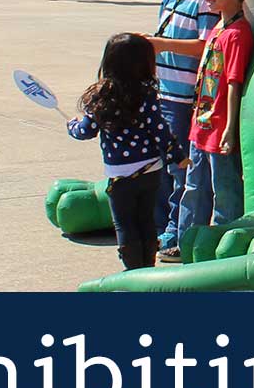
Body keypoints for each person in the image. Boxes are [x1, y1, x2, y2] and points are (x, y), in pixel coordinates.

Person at [146, 0, 254, 246]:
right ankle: (185, 242)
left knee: (224, 191)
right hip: (200, 124)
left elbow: (233, 83)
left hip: (218, 129)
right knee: (193, 187)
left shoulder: (237, 33)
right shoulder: (218, 27)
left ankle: (221, 245)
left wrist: (231, 128)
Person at [67, 33, 175, 271]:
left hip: (120, 173)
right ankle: (147, 265)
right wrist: (174, 153)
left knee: (125, 223)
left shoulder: (102, 95)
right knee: (146, 219)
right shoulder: (147, 93)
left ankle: (132, 269)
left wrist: (71, 127)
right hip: (151, 168)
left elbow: (86, 130)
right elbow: (159, 128)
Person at [151, 0, 219, 262]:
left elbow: (205, 45)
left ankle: (176, 233)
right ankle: (161, 225)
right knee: (162, 165)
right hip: (162, 92)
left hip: (183, 99)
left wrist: (159, 44)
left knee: (180, 168)